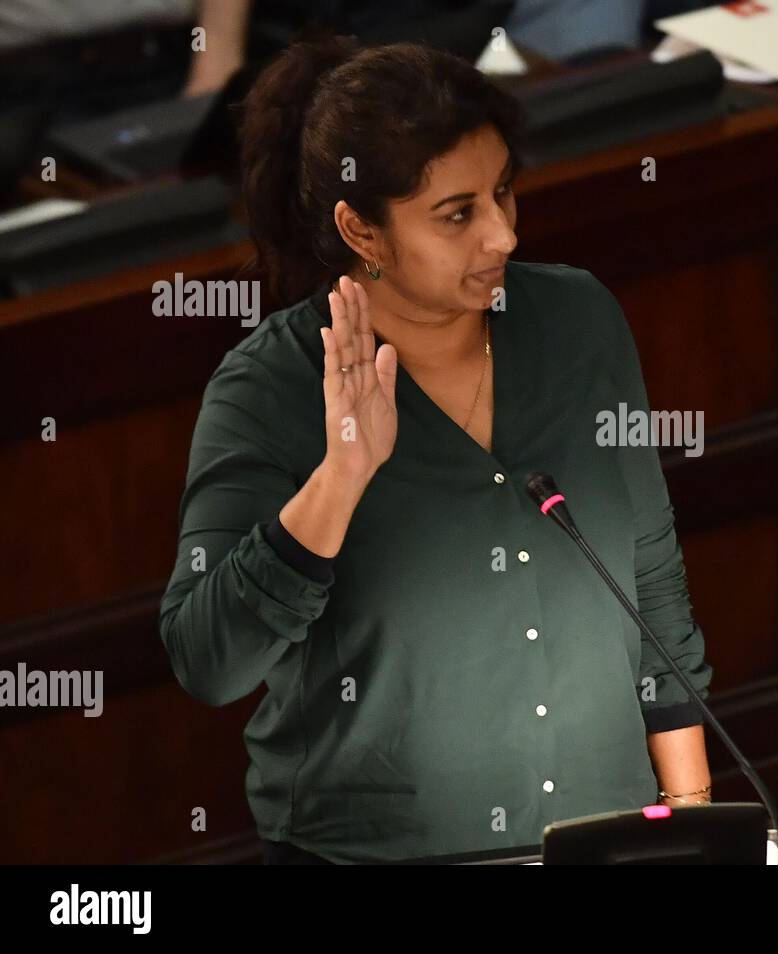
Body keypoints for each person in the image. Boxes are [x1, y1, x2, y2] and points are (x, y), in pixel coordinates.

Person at [158, 34, 714, 864]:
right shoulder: (267, 388)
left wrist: (692, 816)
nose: (502, 238)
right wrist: (341, 478)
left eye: (503, 194)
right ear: (361, 229)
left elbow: (652, 580)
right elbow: (206, 660)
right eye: (458, 214)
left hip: (605, 839)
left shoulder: (577, 322)